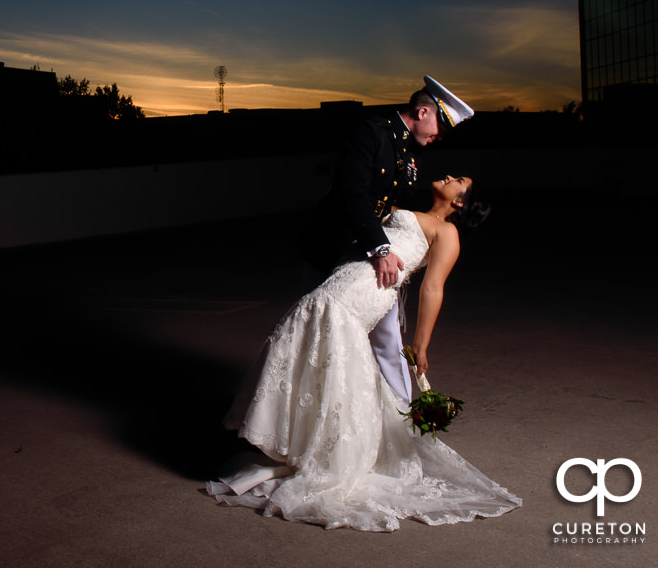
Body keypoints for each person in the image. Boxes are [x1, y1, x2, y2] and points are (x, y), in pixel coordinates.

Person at [206, 175, 521, 531]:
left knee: (333, 329)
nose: (449, 176)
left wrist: (420, 344)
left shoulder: (446, 232)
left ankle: (331, 456)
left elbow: (432, 288)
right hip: (345, 273)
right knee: (311, 337)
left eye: (458, 180)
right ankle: (307, 442)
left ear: (460, 202)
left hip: (368, 291)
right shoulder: (407, 209)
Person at [298, 76, 474, 403]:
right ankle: (309, 414)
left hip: (371, 260)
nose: (440, 136)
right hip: (332, 245)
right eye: (440, 126)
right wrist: (379, 247)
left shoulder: (412, 155)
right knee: (315, 335)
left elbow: (399, 209)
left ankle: (404, 420)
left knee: (390, 341)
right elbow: (352, 193)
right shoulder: (372, 132)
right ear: (423, 112)